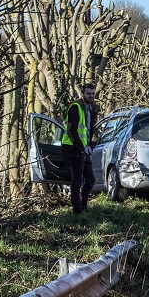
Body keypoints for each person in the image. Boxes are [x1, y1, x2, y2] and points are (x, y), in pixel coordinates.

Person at [62, 82, 98, 214]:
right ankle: (77, 209)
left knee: (90, 179)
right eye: (88, 93)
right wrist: (81, 148)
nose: (91, 96)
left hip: (85, 149)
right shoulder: (75, 107)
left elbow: (88, 130)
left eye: (93, 93)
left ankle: (83, 206)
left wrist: (89, 145)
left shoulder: (91, 108)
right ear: (82, 94)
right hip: (75, 149)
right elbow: (71, 131)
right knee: (77, 180)